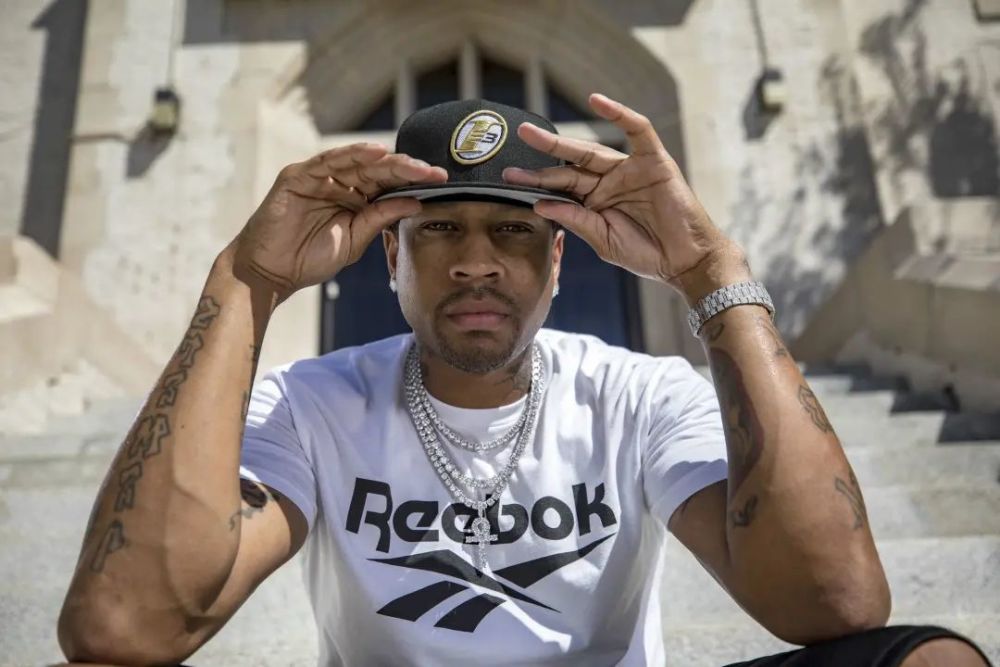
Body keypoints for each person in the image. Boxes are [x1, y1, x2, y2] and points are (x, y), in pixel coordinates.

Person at [56, 96, 991, 667]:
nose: (476, 261)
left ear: (558, 261)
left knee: (930, 661)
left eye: (512, 230)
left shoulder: (638, 394)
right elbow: (125, 624)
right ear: (392, 256)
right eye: (440, 229)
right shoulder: (311, 405)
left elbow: (834, 602)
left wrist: (713, 275)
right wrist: (244, 282)